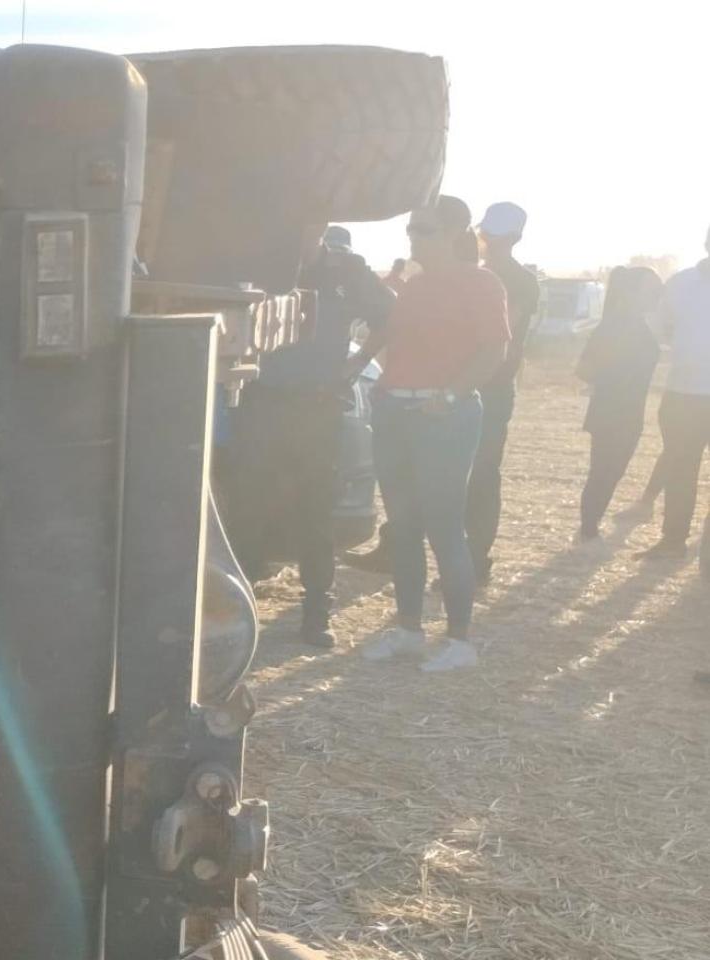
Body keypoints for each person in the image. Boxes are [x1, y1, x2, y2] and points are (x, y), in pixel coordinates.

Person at [356, 196, 510, 672]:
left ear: (451, 232)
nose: (413, 237)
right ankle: (408, 630)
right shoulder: (415, 287)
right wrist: (356, 367)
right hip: (396, 412)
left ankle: (460, 640)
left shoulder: (482, 282)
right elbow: (390, 338)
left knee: (444, 526)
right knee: (402, 526)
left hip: (445, 416)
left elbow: (494, 350)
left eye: (423, 229)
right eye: (411, 229)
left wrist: (447, 397)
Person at [225, 226, 394, 648]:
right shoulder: (257, 261)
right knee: (248, 510)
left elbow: (390, 317)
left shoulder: (345, 269)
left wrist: (358, 362)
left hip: (316, 408)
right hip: (258, 402)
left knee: (315, 513)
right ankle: (234, 615)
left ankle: (317, 612)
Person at [464, 202, 540, 584]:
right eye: (488, 234)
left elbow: (500, 336)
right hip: (469, 382)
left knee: (480, 474)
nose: (489, 241)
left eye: (495, 235)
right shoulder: (477, 274)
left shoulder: (519, 281)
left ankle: (475, 559)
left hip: (489, 389)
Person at [638, 226, 710, 563]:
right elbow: (660, 327)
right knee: (681, 469)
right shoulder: (681, 284)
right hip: (682, 394)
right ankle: (673, 540)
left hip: (687, 391)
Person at [575, 266, 664, 541]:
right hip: (610, 410)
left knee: (611, 472)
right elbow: (585, 369)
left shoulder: (636, 324)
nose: (656, 296)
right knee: (603, 472)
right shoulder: (614, 325)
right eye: (652, 290)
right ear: (632, 292)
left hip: (629, 412)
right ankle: (589, 528)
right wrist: (612, 374)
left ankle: (590, 525)